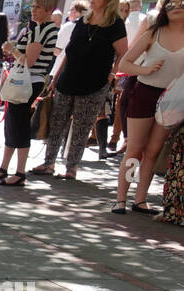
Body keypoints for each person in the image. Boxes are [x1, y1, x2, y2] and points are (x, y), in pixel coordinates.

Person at [33, 0, 127, 180]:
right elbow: (69, 52)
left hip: (95, 83)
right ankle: (48, 163)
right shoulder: (83, 20)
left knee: (81, 127)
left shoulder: (115, 24)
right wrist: (56, 77)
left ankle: (71, 167)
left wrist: (111, 75)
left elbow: (123, 52)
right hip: (67, 79)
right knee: (57, 122)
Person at [113, 0, 184, 213]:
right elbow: (124, 63)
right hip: (144, 92)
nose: (176, 7)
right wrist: (146, 70)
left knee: (153, 150)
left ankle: (140, 200)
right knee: (135, 148)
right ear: (164, 10)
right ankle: (121, 199)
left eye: (181, 3)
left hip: (173, 99)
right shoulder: (153, 33)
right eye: (170, 4)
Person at [0, 0, 58, 187]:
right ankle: (5, 168)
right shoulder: (40, 28)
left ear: (48, 10)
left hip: (29, 81)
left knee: (19, 124)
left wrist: (12, 49)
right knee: (12, 122)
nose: (33, 11)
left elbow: (28, 61)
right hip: (27, 80)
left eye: (37, 7)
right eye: (32, 7)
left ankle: (19, 172)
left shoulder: (43, 30)